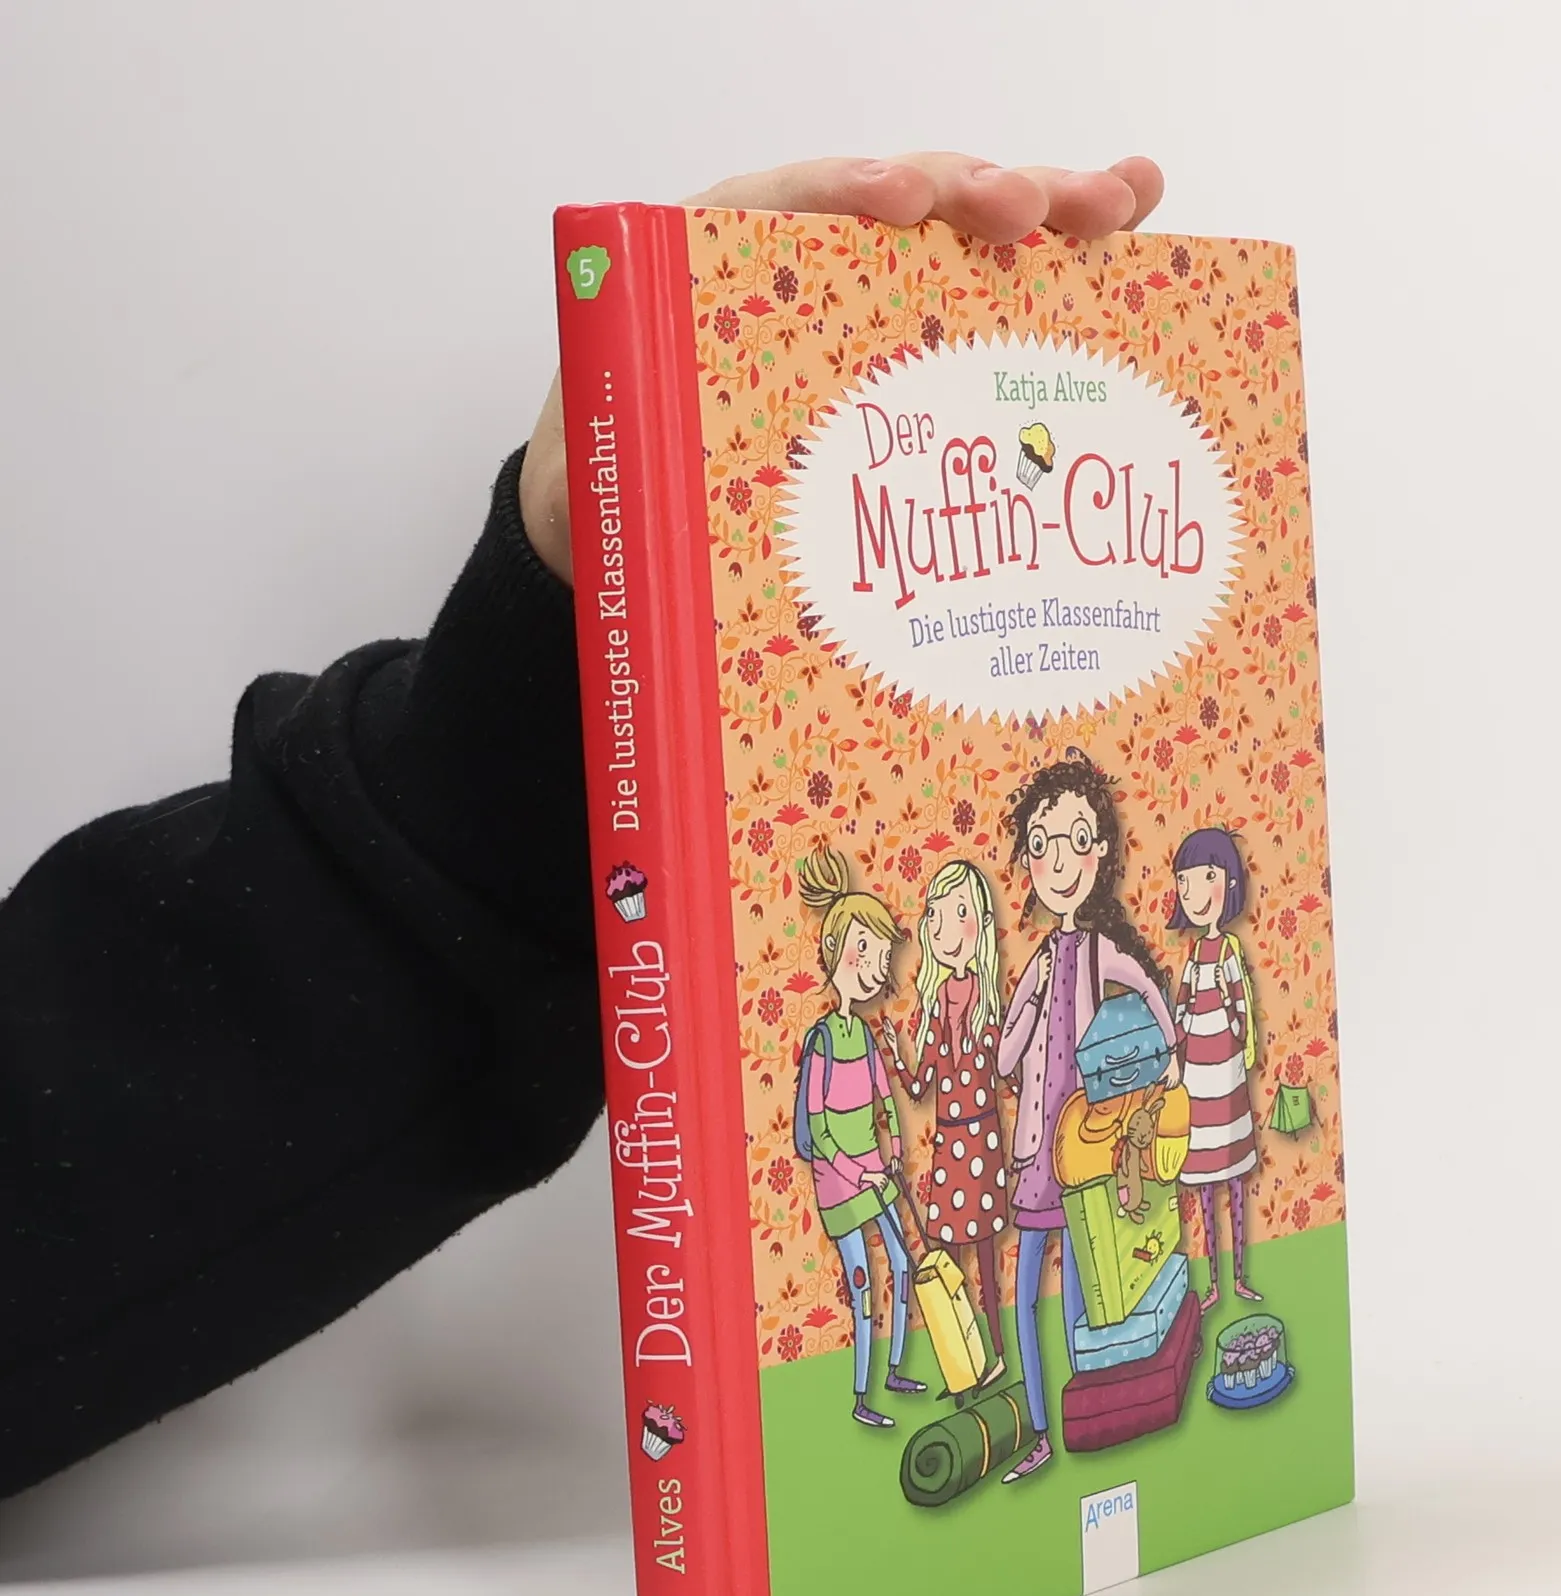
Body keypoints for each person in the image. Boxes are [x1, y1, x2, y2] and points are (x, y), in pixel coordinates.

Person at [0, 151, 1168, 1503]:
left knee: (1025, 1273)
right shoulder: (902, 1016)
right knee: (925, 1279)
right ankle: (930, 1390)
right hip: (938, 1169)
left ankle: (1031, 1397)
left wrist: (535, 678)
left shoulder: (1069, 970)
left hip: (1032, 1157)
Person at [995, 750, 1178, 1483]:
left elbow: (1156, 1006)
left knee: (1084, 1289)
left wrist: (1160, 1068)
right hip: (1036, 1151)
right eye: (1041, 845)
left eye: (1074, 840)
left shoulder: (1104, 951)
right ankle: (1041, 1428)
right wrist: (1020, 1009)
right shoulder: (1042, 961)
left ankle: (1082, 1417)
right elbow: (1007, 1055)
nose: (1057, 863)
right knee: (1025, 1296)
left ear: (1099, 850)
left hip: (1088, 1148)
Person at [793, 846, 924, 1428]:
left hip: (877, 1172)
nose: (873, 967)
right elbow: (819, 1129)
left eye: (880, 954)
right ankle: (862, 1396)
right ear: (834, 951)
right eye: (862, 951)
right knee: (863, 1280)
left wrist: (890, 1152)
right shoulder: (823, 1039)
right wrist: (857, 1170)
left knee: (904, 1261)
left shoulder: (865, 1037)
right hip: (841, 1184)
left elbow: (884, 1101)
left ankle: (896, 1368)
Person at [881, 859, 1011, 1383]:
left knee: (986, 1262)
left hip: (983, 1141)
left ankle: (996, 1355)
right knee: (950, 1266)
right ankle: (965, 1364)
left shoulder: (987, 1002)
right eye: (935, 914)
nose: (942, 927)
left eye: (957, 912)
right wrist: (897, 1058)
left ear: (978, 923)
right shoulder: (937, 1005)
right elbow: (921, 1086)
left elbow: (1007, 1073)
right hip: (950, 1148)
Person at [1168, 827, 1263, 1311]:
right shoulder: (1192, 958)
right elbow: (1181, 1011)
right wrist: (1175, 1057)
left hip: (1225, 1073)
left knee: (1234, 1179)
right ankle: (1213, 1284)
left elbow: (1241, 1004)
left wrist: (1243, 1045)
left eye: (1205, 876)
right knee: (1205, 1181)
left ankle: (1241, 1276)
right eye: (1185, 881)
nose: (1193, 891)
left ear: (1227, 881)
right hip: (1196, 1078)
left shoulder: (1227, 951)